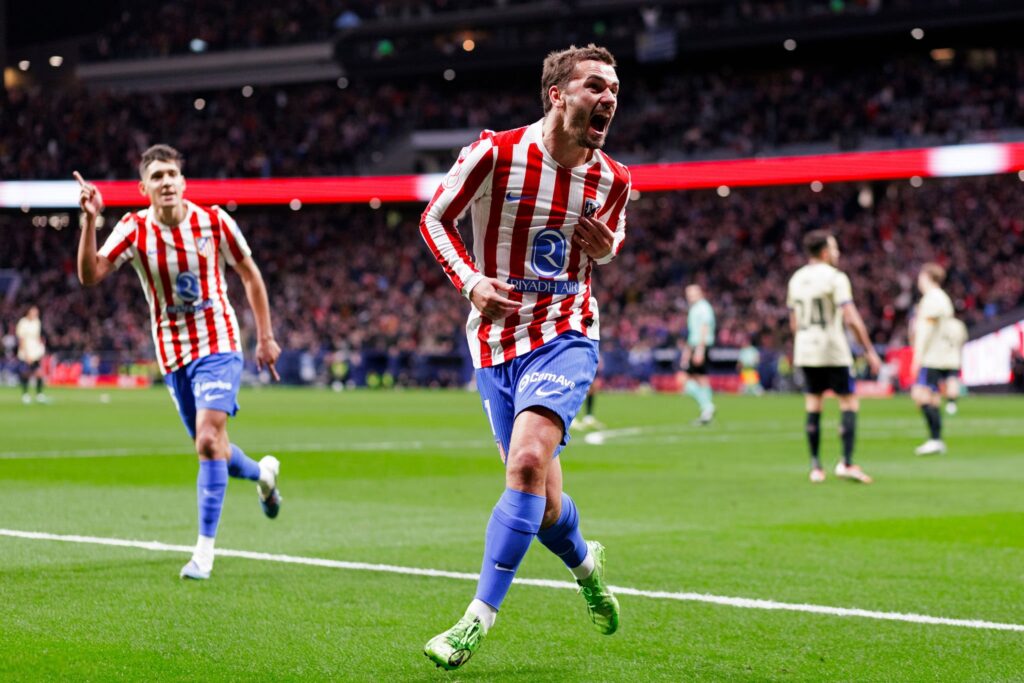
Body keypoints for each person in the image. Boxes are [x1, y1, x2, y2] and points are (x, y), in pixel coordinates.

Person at [419, 44, 629, 671]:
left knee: (528, 461)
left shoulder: (612, 179)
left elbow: (610, 242)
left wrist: (607, 247)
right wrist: (471, 282)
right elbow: (435, 219)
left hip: (566, 329)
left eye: (615, 89)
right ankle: (589, 567)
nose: (609, 98)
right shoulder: (495, 154)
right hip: (494, 339)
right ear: (558, 94)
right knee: (542, 505)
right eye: (595, 86)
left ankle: (475, 621)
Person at [74, 144, 283, 580]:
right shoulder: (133, 230)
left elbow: (250, 275)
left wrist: (264, 337)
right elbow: (90, 274)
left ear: (183, 181)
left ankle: (203, 553)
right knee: (215, 449)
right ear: (143, 187)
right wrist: (91, 219)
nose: (166, 182)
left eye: (172, 174)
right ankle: (263, 475)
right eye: (157, 176)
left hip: (219, 344)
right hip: (172, 355)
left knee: (208, 441)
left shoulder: (214, 222)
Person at [787, 230, 881, 484]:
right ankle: (847, 463)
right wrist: (869, 351)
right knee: (849, 402)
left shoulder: (796, 279)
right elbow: (850, 317)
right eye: (835, 249)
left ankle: (816, 467)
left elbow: (793, 322)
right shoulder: (836, 278)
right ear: (826, 252)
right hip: (832, 349)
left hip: (805, 349)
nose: (838, 253)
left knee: (813, 404)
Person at [908, 263, 964, 455]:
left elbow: (926, 331)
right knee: (931, 397)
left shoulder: (933, 299)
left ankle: (935, 439)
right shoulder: (941, 298)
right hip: (940, 355)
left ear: (926, 277)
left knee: (921, 395)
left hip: (932, 357)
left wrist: (917, 356)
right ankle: (935, 439)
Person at [680, 284, 716, 424]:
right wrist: (687, 351)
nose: (690, 297)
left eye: (692, 294)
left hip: (701, 346)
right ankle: (706, 410)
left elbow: (704, 328)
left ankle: (707, 406)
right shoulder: (695, 308)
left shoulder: (703, 308)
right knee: (700, 378)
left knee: (688, 380)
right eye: (688, 294)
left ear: (700, 293)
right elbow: (692, 333)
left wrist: (700, 349)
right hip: (696, 346)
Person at [16, 305, 48, 404]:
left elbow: (38, 337)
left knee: (39, 373)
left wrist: (41, 348)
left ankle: (39, 395)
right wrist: (26, 354)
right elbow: (21, 339)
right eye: (33, 312)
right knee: (26, 373)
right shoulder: (23, 322)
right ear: (28, 312)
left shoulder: (37, 322)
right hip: (26, 351)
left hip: (35, 352)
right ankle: (25, 394)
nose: (35, 314)